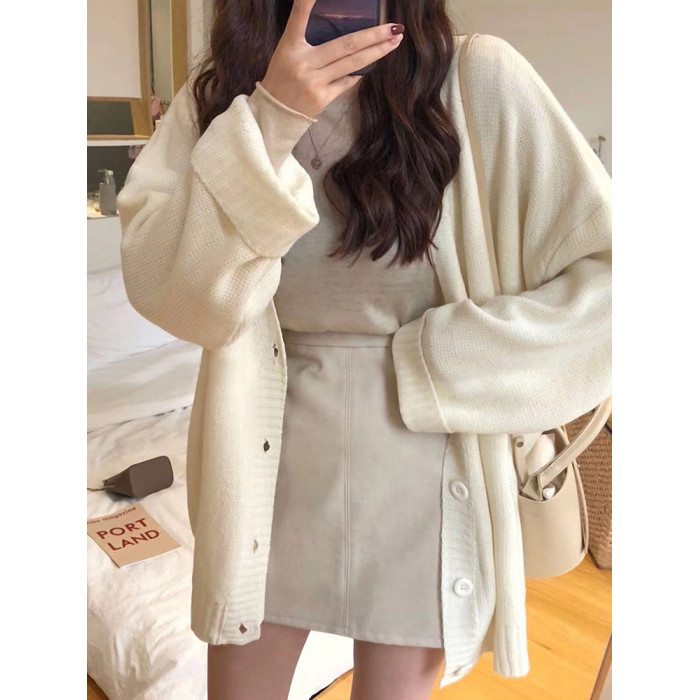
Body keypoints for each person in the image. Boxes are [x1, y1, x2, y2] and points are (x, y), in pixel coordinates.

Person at [117, 1, 613, 698]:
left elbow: (615, 278)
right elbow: (169, 290)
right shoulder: (223, 93)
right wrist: (271, 119)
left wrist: (451, 361)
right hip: (263, 463)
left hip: (429, 468)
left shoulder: (475, 78)